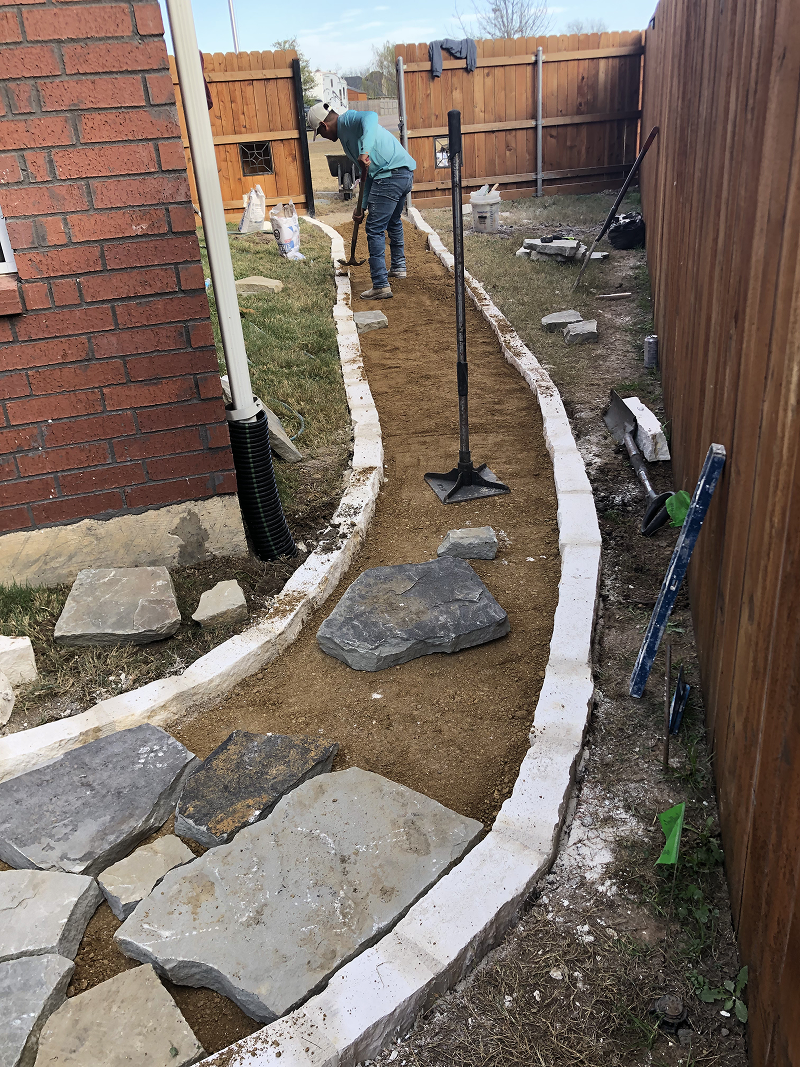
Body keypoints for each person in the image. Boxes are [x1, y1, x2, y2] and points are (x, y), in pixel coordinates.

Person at [309, 102, 416, 300]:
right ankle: (398, 267)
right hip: (402, 174)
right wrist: (362, 206)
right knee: (392, 221)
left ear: (324, 125)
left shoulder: (347, 120)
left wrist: (364, 151)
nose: (323, 136)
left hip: (390, 176)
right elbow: (367, 174)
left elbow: (371, 117)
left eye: (320, 133)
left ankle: (380, 284)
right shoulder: (346, 139)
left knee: (374, 229)